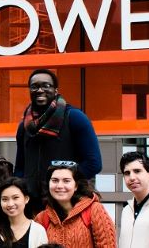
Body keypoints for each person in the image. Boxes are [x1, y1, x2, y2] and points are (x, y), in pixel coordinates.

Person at [15, 69, 102, 215]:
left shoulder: (74, 117)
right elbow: (20, 168)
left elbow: (93, 163)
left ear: (56, 91)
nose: (40, 90)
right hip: (34, 209)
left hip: (69, 205)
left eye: (46, 86)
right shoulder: (24, 127)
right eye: (34, 86)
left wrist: (65, 186)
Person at [33, 163, 115, 248]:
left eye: (66, 181)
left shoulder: (94, 210)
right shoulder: (42, 218)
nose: (60, 186)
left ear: (76, 186)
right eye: (55, 180)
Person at [0, 178, 48, 248]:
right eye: (5, 199)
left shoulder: (38, 231)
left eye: (15, 197)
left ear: (26, 199)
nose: (10, 204)